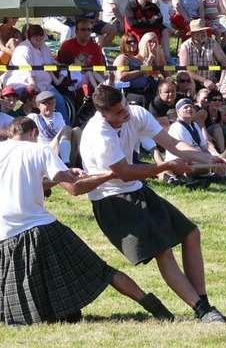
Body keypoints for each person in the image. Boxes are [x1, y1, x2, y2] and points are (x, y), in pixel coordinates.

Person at [0, 117, 175, 326]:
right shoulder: (39, 150)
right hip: (40, 229)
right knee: (100, 271)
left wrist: (62, 176)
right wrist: (110, 174)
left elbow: (32, 182)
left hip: (5, 235)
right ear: (33, 134)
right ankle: (154, 307)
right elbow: (74, 189)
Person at [79, 85, 226, 323]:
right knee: (164, 251)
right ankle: (202, 310)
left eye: (125, 107)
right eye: (118, 112)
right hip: (111, 200)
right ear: (104, 114)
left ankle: (205, 306)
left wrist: (207, 158)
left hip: (136, 189)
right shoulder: (98, 135)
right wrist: (167, 167)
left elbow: (171, 143)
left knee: (191, 233)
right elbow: (125, 172)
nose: (126, 114)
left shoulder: (136, 113)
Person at [178, 18, 226, 90]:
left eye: (204, 31)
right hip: (190, 83)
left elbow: (224, 61)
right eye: (200, 32)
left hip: (212, 82)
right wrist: (204, 80)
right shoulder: (185, 46)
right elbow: (184, 70)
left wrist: (221, 82)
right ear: (193, 34)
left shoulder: (212, 43)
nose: (204, 33)